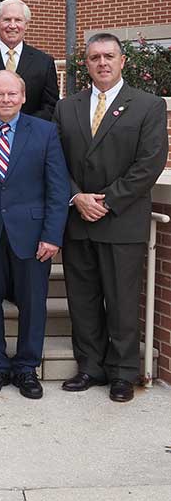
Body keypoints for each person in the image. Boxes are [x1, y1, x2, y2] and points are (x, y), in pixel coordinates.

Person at [55, 33, 167, 403]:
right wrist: (76, 196)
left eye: (108, 56)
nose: (102, 63)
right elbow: (56, 160)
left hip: (121, 220)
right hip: (78, 220)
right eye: (94, 57)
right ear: (85, 64)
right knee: (83, 300)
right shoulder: (67, 107)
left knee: (121, 302)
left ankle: (122, 373)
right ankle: (90, 366)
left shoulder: (148, 106)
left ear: (123, 62)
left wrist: (106, 201)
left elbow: (149, 163)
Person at [0, 71, 69, 399]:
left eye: (12, 94)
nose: (5, 99)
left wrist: (52, 235)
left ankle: (26, 369)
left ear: (23, 97)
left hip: (33, 235)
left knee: (34, 304)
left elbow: (57, 188)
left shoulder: (46, 133)